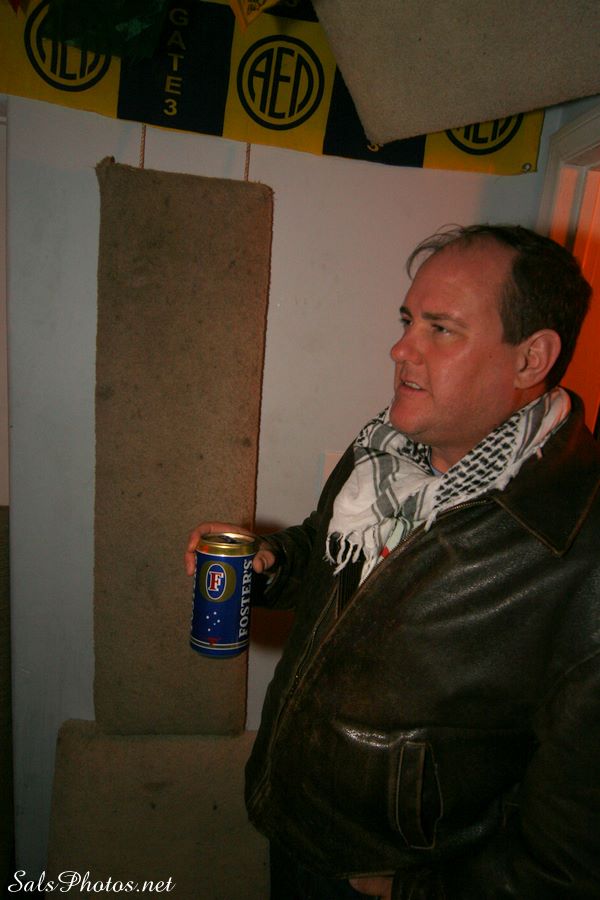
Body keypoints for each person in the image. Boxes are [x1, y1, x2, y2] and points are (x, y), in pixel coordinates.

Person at [185, 224, 600, 899]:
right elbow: (335, 560)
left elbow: (571, 857)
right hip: (297, 824)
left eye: (441, 329)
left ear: (531, 359)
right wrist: (273, 563)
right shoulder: (385, 450)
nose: (400, 348)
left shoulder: (581, 547)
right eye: (409, 321)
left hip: (394, 875)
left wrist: (414, 891)